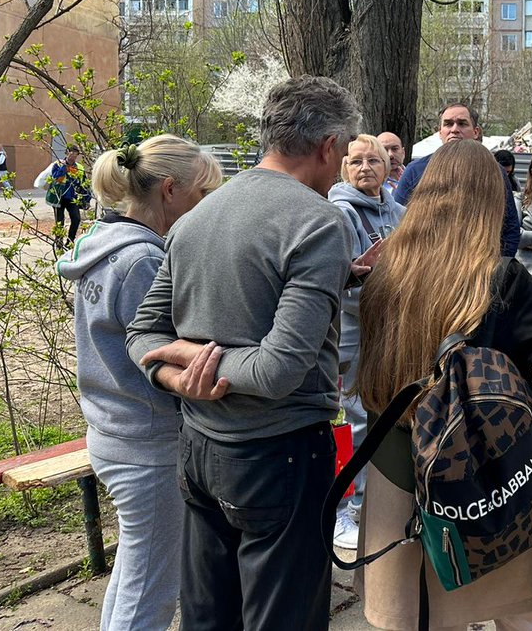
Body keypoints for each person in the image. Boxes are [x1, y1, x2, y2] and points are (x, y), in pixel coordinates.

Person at [125, 76, 359, 631]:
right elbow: (277, 370)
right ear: (327, 147)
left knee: (210, 616)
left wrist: (178, 375)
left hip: (200, 450)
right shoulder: (317, 220)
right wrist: (194, 363)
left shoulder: (200, 214)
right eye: (345, 153)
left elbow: (141, 336)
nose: (343, 168)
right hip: (278, 455)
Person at [355, 140, 532, 630]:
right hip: (502, 485)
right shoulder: (506, 280)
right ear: (492, 203)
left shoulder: (381, 278)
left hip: (401, 493)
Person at [58, 136, 222, 631]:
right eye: (201, 195)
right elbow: (159, 353)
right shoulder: (143, 262)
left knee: (136, 571)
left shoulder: (98, 246)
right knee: (153, 587)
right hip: (146, 442)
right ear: (170, 190)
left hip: (112, 429)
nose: (205, 207)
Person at [328, 134, 406, 550]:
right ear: (343, 167)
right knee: (350, 422)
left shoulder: (398, 210)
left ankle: (372, 498)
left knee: (380, 416)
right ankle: (344, 508)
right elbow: (341, 283)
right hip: (352, 338)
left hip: (387, 335)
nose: (365, 169)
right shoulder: (340, 214)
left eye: (373, 160)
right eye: (356, 161)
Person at [394, 103, 521, 257]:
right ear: (440, 132)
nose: (454, 129)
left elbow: (510, 227)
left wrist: (499, 269)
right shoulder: (415, 170)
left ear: (476, 132)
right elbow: (396, 222)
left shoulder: (494, 172)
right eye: (448, 124)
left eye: (462, 124)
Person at [46, 145, 91, 248]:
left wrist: (87, 199)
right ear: (67, 153)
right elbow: (56, 178)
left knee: (76, 219)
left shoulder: (79, 167)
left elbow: (84, 184)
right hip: (59, 198)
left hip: (72, 198)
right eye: (72, 153)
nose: (73, 156)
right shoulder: (58, 164)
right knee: (59, 221)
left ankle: (70, 241)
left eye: (76, 154)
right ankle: (59, 243)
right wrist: (64, 168)